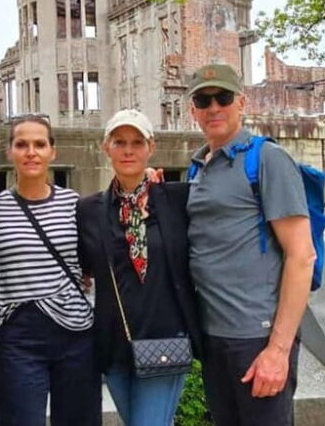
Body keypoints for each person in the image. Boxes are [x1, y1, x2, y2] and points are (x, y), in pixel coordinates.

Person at [185, 63, 316, 426]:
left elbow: (301, 256)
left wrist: (278, 349)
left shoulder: (267, 159)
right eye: (203, 99)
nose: (214, 107)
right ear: (192, 108)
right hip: (214, 335)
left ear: (241, 102)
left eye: (223, 97)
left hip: (256, 337)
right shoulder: (197, 168)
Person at [76, 109, 203, 426]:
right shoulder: (89, 209)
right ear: (106, 147)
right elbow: (84, 267)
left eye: (137, 142)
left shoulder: (176, 200)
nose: (128, 150)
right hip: (114, 343)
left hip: (164, 337)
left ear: (151, 147)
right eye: (120, 142)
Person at [0, 113, 101, 426]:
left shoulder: (75, 204)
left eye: (39, 144)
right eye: (22, 144)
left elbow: (92, 259)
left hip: (76, 333)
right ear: (9, 151)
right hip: (20, 336)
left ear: (53, 151)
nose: (31, 152)